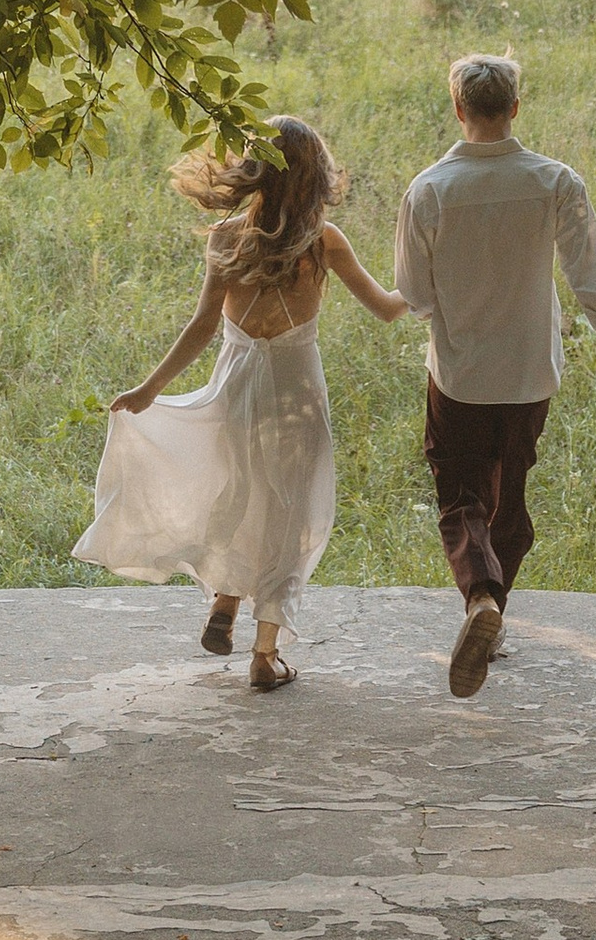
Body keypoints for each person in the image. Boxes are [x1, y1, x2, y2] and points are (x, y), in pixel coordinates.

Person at [74, 116, 407, 689]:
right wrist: (431, 284)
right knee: (291, 513)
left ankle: (224, 604)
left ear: (254, 171)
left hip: (236, 383)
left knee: (238, 488)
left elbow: (203, 324)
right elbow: (387, 307)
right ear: (314, 176)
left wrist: (149, 389)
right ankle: (264, 655)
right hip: (296, 387)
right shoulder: (323, 241)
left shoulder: (228, 235)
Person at [394, 52, 596, 698]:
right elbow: (593, 285)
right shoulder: (556, 182)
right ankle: (493, 612)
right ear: (515, 107)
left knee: (462, 496)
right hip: (529, 374)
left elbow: (414, 296)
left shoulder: (429, 190)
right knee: (507, 500)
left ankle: (481, 603)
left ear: (458, 109)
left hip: (460, 375)